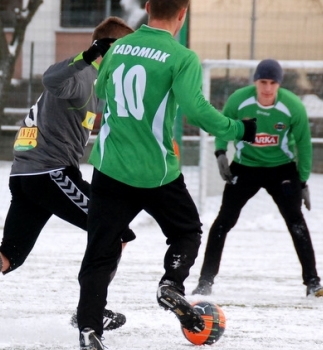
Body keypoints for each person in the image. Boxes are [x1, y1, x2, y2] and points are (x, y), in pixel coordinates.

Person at [75, 1, 258, 349]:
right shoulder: (181, 56)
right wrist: (238, 129)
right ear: (183, 13)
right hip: (157, 172)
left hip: (110, 169)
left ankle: (88, 330)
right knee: (187, 230)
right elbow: (196, 110)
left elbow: (99, 93)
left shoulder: (116, 49)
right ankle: (171, 283)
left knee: (99, 251)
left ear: (146, 8)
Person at [0, 17, 137, 332]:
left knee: (10, 254)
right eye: (127, 51)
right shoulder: (84, 73)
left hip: (28, 175)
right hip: (50, 173)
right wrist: (89, 55)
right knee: (117, 233)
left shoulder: (99, 82)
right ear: (110, 48)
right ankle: (91, 310)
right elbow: (51, 79)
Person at [191, 59, 323, 298]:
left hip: (281, 170)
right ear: (255, 81)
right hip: (246, 168)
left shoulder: (293, 106)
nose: (267, 88)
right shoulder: (239, 100)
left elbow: (304, 144)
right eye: (263, 82)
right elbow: (224, 127)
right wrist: (220, 152)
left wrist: (303, 181)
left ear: (279, 84)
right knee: (224, 221)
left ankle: (313, 282)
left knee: (296, 221)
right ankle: (205, 281)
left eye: (272, 83)